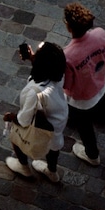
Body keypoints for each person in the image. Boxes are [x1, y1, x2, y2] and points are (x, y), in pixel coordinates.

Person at [4, 43, 68, 182]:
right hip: (58, 120)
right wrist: (32, 57)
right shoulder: (58, 75)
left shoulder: (34, 93)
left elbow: (23, 120)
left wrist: (11, 117)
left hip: (42, 125)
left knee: (16, 137)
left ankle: (23, 167)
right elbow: (46, 68)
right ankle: (52, 172)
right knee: (54, 148)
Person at [62, 2, 105, 166]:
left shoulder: (68, 55)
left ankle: (92, 155)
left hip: (83, 99)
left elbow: (68, 84)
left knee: (84, 127)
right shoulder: (100, 34)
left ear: (69, 27)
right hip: (102, 83)